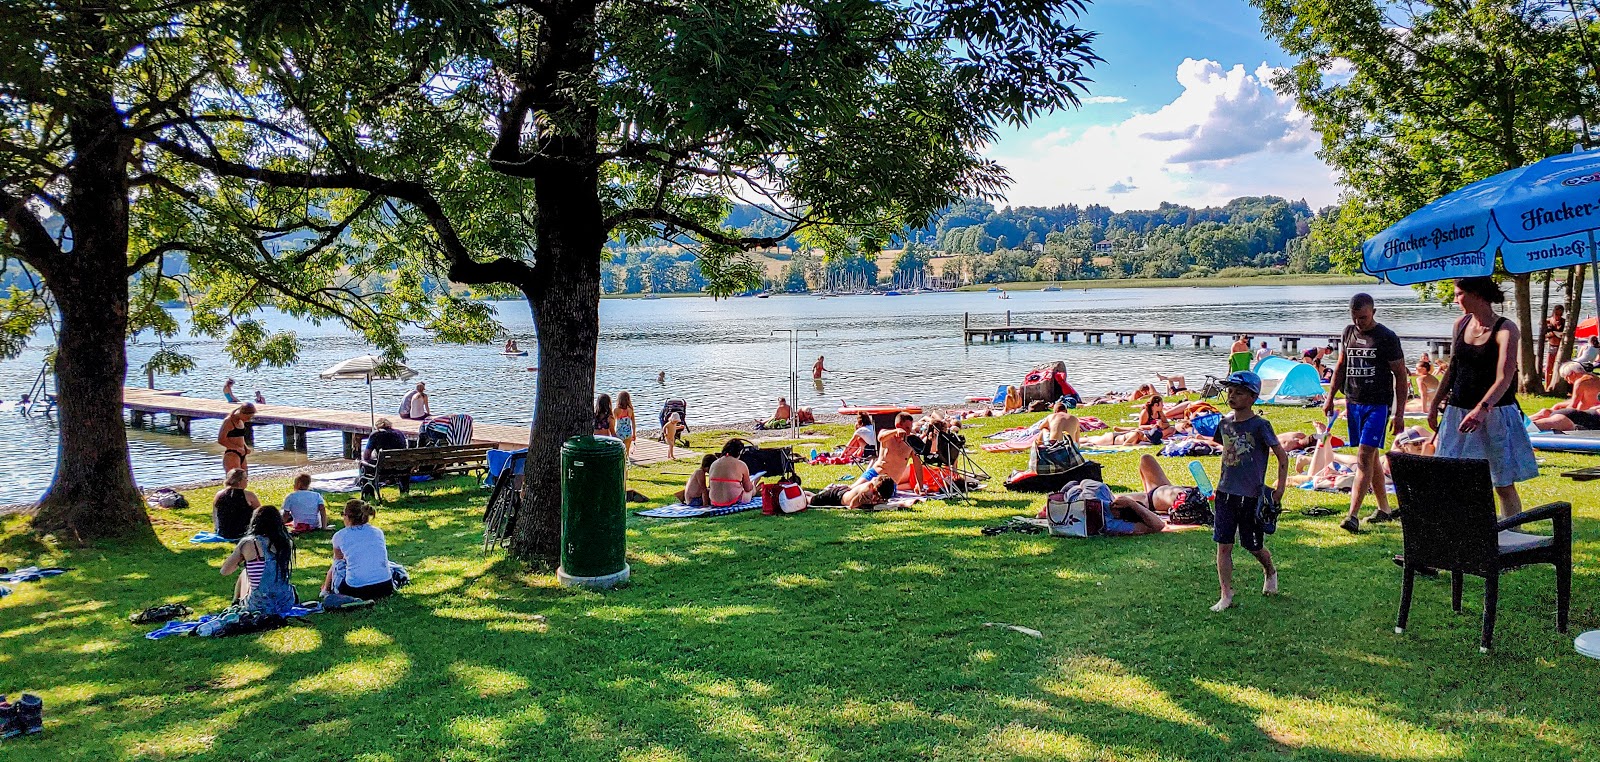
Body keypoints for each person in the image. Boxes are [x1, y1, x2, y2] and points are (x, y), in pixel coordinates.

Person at [1430, 276, 1539, 518]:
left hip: (1495, 413)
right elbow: (1453, 368)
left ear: (1477, 294)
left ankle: (1512, 535)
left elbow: (1505, 376)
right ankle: (1465, 534)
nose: (1455, 299)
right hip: (1458, 411)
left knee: (1502, 482)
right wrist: (1435, 403)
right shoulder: (1460, 324)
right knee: (1454, 476)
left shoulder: (1505, 328)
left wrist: (1482, 409)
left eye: (1459, 294)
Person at [1323, 292, 1407, 532]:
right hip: (1353, 402)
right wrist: (1330, 397)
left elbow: (1401, 376)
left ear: (1373, 312)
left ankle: (1352, 515)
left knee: (1364, 456)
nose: (1359, 322)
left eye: (1363, 317)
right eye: (1355, 317)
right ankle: (1385, 509)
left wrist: (1399, 413)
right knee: (1370, 458)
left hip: (1378, 405)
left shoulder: (1386, 337)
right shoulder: (1348, 332)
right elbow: (1341, 366)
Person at [1210, 371, 1287, 613]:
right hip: (1224, 493)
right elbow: (1225, 449)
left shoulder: (1261, 426)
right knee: (1224, 545)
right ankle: (1226, 593)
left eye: (1239, 393)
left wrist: (1279, 489)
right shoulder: (1224, 423)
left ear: (1253, 398)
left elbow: (1282, 457)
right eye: (1230, 392)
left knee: (1252, 545)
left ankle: (1269, 569)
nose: (1232, 396)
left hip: (1251, 496)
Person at [219, 505, 297, 615]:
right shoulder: (286, 542)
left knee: (245, 573)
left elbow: (225, 571)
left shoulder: (249, 543)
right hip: (285, 602)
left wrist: (241, 557)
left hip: (259, 605)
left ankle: (235, 603)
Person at [321, 499, 394, 600]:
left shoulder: (340, 536)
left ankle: (327, 590)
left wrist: (326, 588)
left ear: (347, 516)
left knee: (339, 565)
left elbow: (337, 563)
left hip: (356, 590)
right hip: (385, 587)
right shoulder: (378, 532)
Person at [867, 413, 925, 492]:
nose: (909, 431)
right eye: (907, 428)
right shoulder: (887, 435)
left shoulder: (911, 442)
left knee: (869, 494)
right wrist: (896, 431)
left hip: (890, 482)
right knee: (853, 489)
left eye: (910, 428)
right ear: (898, 426)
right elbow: (880, 438)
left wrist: (920, 486)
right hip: (875, 472)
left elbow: (917, 465)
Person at [1531, 362, 1600, 423]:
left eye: (1567, 378)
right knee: (1555, 408)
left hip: (1585, 414)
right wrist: (1559, 405)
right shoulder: (1595, 378)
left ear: (1573, 373)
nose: (1568, 382)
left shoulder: (1580, 382)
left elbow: (1573, 405)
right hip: (1590, 411)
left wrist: (1559, 410)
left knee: (1545, 412)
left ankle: (1527, 423)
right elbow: (1587, 399)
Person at [213, 468, 262, 540]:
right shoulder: (249, 495)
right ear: (239, 481)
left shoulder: (219, 494)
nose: (247, 480)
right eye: (245, 478)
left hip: (223, 532)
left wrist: (217, 529)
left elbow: (215, 514)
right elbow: (261, 512)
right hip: (243, 532)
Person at [706, 439, 757, 507]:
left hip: (714, 501)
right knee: (751, 489)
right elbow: (748, 488)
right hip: (734, 500)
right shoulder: (741, 464)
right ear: (739, 452)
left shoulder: (714, 464)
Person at [809, 475, 897, 510]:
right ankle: (803, 494)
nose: (878, 499)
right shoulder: (866, 492)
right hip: (836, 496)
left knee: (816, 497)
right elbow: (852, 505)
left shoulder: (874, 486)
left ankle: (807, 493)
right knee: (811, 501)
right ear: (874, 489)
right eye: (878, 496)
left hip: (845, 491)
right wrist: (864, 501)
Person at [217, 403, 255, 474]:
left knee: (244, 478)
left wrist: (245, 447)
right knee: (235, 479)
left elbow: (240, 436)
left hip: (242, 453)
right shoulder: (228, 421)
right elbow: (221, 440)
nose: (249, 420)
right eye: (248, 417)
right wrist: (237, 448)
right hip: (232, 454)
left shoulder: (241, 421)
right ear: (242, 413)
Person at [1542, 305, 1565, 390]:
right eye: (1557, 314)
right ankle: (1547, 386)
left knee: (1559, 367)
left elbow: (1564, 334)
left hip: (1560, 347)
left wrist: (1556, 333)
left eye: (1560, 314)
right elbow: (1544, 335)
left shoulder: (1564, 322)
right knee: (1548, 367)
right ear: (1553, 313)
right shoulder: (1548, 321)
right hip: (1551, 346)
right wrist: (1553, 333)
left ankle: (1556, 385)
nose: (1558, 316)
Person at [614, 391, 637, 458]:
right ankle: (626, 463)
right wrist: (634, 434)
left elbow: (613, 422)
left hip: (619, 433)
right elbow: (633, 423)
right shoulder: (630, 410)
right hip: (628, 433)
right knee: (626, 452)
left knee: (619, 451)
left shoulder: (616, 410)